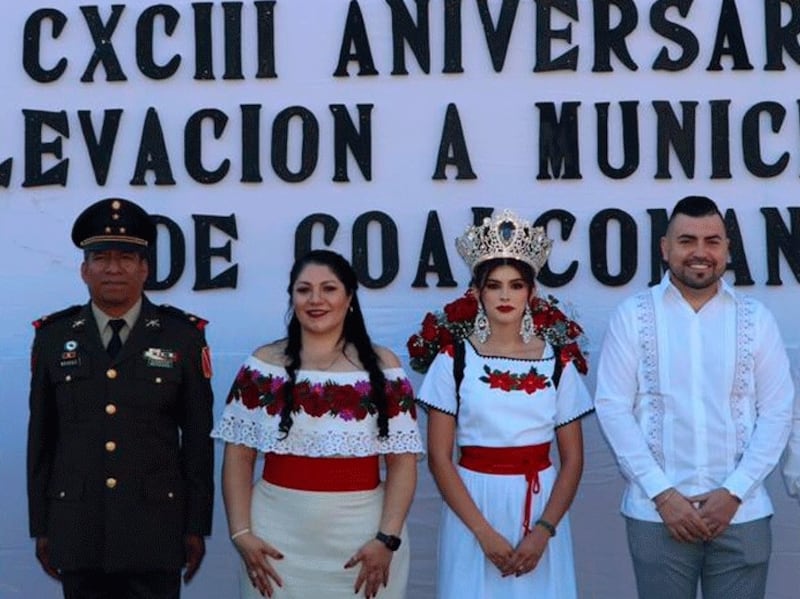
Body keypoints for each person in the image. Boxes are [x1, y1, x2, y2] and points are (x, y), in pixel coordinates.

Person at [594, 195, 794, 599]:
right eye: (687, 240)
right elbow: (613, 408)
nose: (700, 252)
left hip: (743, 512)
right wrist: (663, 495)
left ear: (727, 250)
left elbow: (777, 412)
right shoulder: (632, 316)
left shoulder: (756, 319)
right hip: (657, 514)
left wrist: (734, 491)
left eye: (712, 241)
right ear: (665, 249)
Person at [27, 197, 215, 599]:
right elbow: (41, 440)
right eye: (101, 257)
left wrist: (196, 525)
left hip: (156, 531)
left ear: (144, 268)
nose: (113, 268)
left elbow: (198, 441)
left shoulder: (182, 336)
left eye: (127, 257)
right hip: (78, 527)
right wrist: (42, 525)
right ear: (84, 269)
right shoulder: (53, 337)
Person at [212, 249, 423, 599]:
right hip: (275, 541)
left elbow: (401, 463)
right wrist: (241, 534)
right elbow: (238, 457)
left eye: (329, 288)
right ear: (292, 297)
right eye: (304, 289)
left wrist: (387, 540)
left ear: (349, 297)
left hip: (365, 542)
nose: (315, 299)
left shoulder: (384, 365)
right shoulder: (263, 365)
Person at [410, 210, 592, 598]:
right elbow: (440, 458)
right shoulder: (453, 360)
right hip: (472, 506)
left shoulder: (557, 363)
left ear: (532, 293)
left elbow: (573, 460)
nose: (505, 296)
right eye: (494, 286)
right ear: (477, 293)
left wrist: (543, 532)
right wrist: (482, 532)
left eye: (516, 285)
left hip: (540, 508)